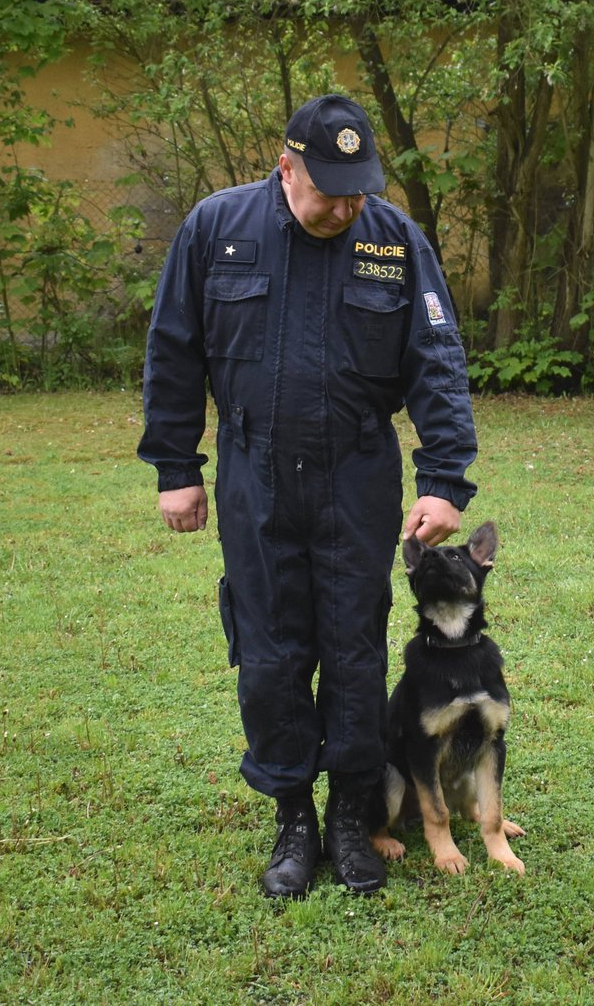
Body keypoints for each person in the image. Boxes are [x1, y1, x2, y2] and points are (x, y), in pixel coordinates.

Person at [138, 94, 478, 898]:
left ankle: (351, 818)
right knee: (271, 651)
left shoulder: (394, 241)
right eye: (331, 189)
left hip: (358, 473)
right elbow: (174, 349)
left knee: (355, 649)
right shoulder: (216, 229)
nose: (347, 206)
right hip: (254, 471)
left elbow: (437, 357)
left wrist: (445, 479)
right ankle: (293, 815)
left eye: (359, 188)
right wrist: (175, 468)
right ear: (286, 167)